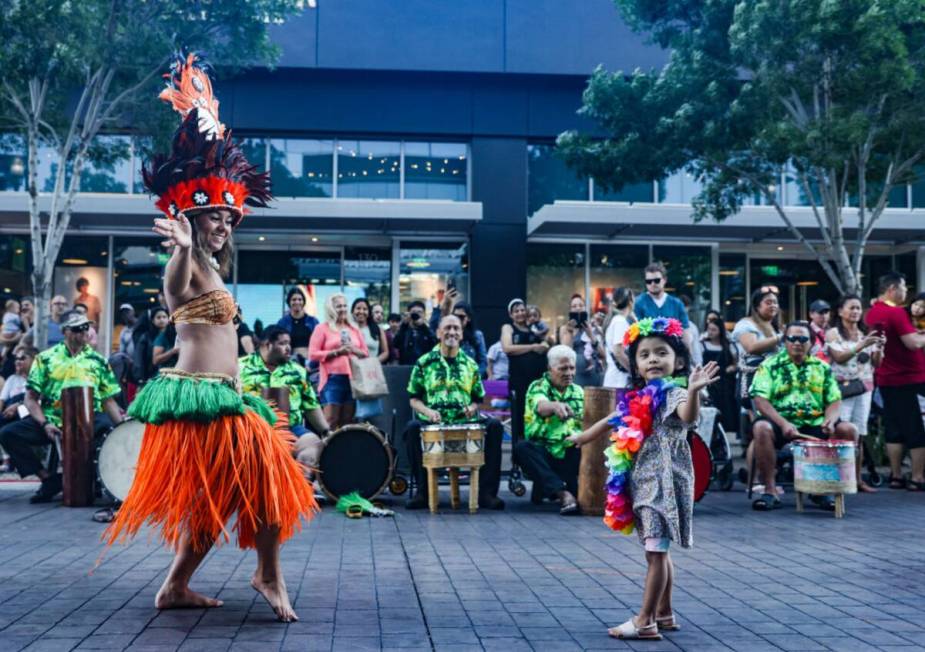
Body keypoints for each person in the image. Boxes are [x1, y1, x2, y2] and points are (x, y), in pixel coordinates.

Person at [104, 53, 316, 622]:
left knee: (220, 500)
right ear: (192, 220)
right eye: (213, 219)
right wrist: (176, 246)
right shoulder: (189, 266)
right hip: (202, 398)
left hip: (228, 394)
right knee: (269, 481)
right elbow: (175, 293)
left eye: (228, 219)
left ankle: (178, 585)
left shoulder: (217, 269)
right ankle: (266, 573)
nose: (222, 226)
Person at [569, 317, 718, 640]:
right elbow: (611, 419)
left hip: (663, 485)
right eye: (645, 354)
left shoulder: (676, 393)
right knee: (659, 551)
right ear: (635, 364)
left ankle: (644, 620)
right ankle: (664, 612)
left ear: (677, 360)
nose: (653, 359)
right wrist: (584, 437)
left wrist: (693, 391)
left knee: (655, 553)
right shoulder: (640, 397)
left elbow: (688, 417)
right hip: (646, 485)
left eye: (661, 353)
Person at [0, 312, 123, 503]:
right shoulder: (45, 359)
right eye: (77, 329)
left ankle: (97, 481)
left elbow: (108, 400)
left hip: (90, 420)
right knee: (8, 434)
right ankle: (48, 479)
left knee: (109, 433)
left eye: (85, 328)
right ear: (64, 331)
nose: (83, 332)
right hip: (53, 420)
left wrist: (124, 431)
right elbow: (31, 399)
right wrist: (44, 423)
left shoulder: (98, 361)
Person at [749, 321, 859, 511]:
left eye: (802, 339)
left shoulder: (821, 367)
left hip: (815, 421)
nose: (797, 343)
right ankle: (770, 490)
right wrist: (783, 423)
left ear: (812, 342)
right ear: (785, 341)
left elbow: (834, 399)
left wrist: (830, 420)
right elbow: (760, 400)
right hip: (780, 420)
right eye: (792, 338)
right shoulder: (769, 365)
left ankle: (825, 489)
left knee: (848, 430)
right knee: (761, 428)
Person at [403, 314, 505, 510]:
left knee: (494, 426)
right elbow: (413, 399)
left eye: (456, 328)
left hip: (465, 424)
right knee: (412, 427)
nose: (452, 332)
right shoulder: (424, 362)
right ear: (439, 333)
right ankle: (423, 493)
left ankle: (486, 494)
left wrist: (472, 408)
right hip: (433, 424)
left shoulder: (471, 364)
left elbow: (478, 399)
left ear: (461, 334)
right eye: (447, 328)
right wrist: (429, 411)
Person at [240, 325, 330, 477]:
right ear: (267, 344)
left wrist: (325, 431)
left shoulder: (298, 371)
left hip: (291, 428)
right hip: (251, 430)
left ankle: (301, 488)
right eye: (282, 343)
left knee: (314, 445)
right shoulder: (240, 367)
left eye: (289, 343)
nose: (288, 348)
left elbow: (310, 405)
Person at [865, 271, 925, 490]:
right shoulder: (896, 313)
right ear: (892, 289)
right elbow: (913, 343)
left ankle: (896, 475)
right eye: (903, 288)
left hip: (887, 379)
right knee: (916, 428)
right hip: (910, 378)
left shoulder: (872, 313)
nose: (906, 292)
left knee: (894, 428)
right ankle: (917, 478)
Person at [515, 345, 584, 515]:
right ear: (550, 369)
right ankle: (563, 494)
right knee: (522, 448)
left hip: (570, 451)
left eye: (572, 368)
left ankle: (571, 491)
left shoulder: (579, 391)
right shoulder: (537, 386)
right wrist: (555, 406)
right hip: (543, 452)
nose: (569, 373)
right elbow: (540, 406)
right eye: (563, 368)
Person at [826, 294, 884, 493]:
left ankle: (857, 479)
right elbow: (839, 358)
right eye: (851, 308)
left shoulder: (865, 333)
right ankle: (839, 478)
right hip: (841, 389)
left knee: (860, 432)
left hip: (864, 388)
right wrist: (862, 345)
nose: (855, 312)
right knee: (841, 431)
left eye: (858, 308)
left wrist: (879, 348)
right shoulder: (833, 333)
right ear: (840, 311)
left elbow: (876, 363)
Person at [308, 293, 369, 429]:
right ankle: (326, 449)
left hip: (353, 379)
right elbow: (312, 354)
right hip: (331, 379)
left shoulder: (354, 329)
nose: (342, 309)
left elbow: (365, 353)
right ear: (331, 309)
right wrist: (336, 352)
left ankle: (343, 450)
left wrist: (352, 349)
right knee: (330, 420)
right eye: (338, 306)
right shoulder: (322, 328)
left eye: (344, 306)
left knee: (347, 421)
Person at [502, 299, 549, 445]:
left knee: (536, 415)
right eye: (516, 311)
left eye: (522, 310)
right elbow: (507, 348)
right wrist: (533, 347)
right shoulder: (508, 328)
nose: (520, 313)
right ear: (511, 314)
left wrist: (544, 343)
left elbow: (546, 343)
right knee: (519, 416)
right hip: (518, 381)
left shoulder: (534, 329)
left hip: (536, 381)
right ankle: (518, 451)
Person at [732, 287, 782, 411]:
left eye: (775, 302)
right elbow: (751, 347)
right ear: (757, 306)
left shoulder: (776, 328)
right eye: (768, 302)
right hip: (755, 380)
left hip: (776, 381)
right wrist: (781, 337)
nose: (773, 305)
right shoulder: (745, 324)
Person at [634, 262, 692, 351]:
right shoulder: (638, 303)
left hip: (673, 353)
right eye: (648, 281)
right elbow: (635, 333)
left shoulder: (677, 303)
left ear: (664, 280)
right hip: (648, 354)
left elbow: (685, 333)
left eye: (657, 280)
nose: (653, 284)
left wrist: (686, 357)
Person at [701, 317, 739, 434]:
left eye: (714, 330)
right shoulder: (702, 345)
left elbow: (736, 362)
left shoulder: (728, 345)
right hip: (709, 380)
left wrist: (731, 368)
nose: (710, 332)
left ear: (720, 331)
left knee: (727, 406)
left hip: (726, 382)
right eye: (709, 330)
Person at [558, 294, 605, 387]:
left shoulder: (593, 327)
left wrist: (591, 334)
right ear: (570, 310)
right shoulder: (564, 329)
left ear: (585, 308)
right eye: (574, 306)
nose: (578, 308)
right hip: (575, 375)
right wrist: (570, 332)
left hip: (594, 374)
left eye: (580, 305)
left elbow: (603, 353)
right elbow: (565, 353)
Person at [603, 287, 635, 394]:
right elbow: (618, 352)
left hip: (616, 381)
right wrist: (635, 372)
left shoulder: (617, 320)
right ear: (631, 302)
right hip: (619, 382)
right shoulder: (620, 321)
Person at [277, 287, 318, 363]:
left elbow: (319, 343)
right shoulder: (283, 322)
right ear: (289, 302)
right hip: (290, 361)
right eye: (294, 299)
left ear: (304, 302)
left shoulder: (313, 321)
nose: (297, 302)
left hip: (311, 362)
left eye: (300, 299)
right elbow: (278, 344)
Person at [393, 300, 437, 365]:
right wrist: (404, 325)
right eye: (413, 312)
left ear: (424, 314)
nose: (416, 314)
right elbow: (395, 344)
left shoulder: (427, 330)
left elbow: (435, 344)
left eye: (420, 312)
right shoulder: (404, 330)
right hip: (405, 368)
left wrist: (423, 326)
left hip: (424, 368)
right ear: (409, 314)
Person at [450, 301, 488, 378]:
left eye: (461, 317)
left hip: (470, 379)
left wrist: (475, 376)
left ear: (469, 318)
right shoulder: (448, 334)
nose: (457, 319)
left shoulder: (477, 336)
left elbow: (483, 361)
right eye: (455, 316)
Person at [0, 346, 35, 426]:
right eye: (16, 359)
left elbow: (39, 401)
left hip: (29, 417)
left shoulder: (40, 379)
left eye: (22, 358)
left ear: (34, 360)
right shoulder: (12, 379)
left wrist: (19, 405)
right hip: (9, 416)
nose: (17, 361)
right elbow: (1, 401)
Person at [352, 297, 390, 364]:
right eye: (358, 308)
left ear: (369, 312)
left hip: (371, 370)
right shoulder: (348, 329)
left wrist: (374, 362)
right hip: (352, 369)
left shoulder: (377, 329)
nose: (361, 311)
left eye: (365, 309)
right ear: (352, 311)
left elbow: (385, 352)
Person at [679, 295, 703, 367]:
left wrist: (699, 366)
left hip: (687, 365)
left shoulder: (692, 327)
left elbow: (696, 350)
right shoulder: (666, 324)